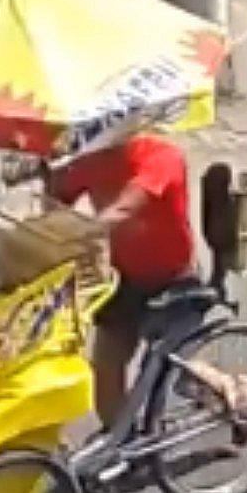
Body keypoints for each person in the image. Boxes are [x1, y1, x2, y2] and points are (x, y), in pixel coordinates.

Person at [44, 134, 197, 432]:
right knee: (105, 368)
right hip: (122, 278)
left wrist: (80, 233)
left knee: (173, 367)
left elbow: (124, 209)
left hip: (170, 280)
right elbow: (57, 203)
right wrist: (50, 176)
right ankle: (121, 441)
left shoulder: (161, 157)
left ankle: (239, 391)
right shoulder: (90, 160)